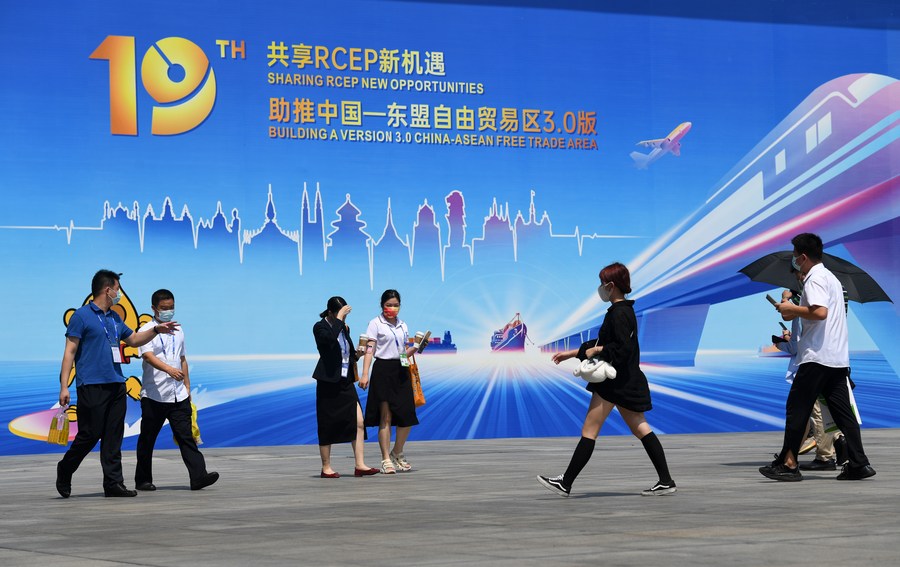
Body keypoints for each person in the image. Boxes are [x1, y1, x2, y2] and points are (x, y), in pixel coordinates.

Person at [537, 262, 676, 497]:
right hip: (626, 382)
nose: (600, 288)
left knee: (590, 430)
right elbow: (607, 343)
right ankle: (666, 480)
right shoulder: (622, 311)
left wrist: (598, 350)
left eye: (602, 284)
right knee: (641, 428)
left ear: (611, 285)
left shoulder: (619, 313)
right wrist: (573, 353)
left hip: (614, 383)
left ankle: (566, 482)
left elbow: (621, 348)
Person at [759, 233, 874, 481]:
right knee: (843, 414)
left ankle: (789, 464)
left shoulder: (815, 278)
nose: (794, 262)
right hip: (837, 358)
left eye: (795, 257)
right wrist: (791, 310)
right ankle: (858, 463)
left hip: (817, 358)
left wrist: (791, 308)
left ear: (802, 257)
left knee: (797, 409)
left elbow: (819, 312)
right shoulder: (832, 278)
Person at [56, 270, 179, 498]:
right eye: (117, 289)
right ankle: (65, 468)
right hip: (91, 385)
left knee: (113, 435)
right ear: (107, 290)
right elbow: (69, 352)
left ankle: (113, 483)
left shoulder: (114, 318)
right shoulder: (81, 316)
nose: (119, 293)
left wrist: (155, 330)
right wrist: (64, 386)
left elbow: (133, 340)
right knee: (89, 434)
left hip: (116, 384)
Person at [134, 289, 219, 491]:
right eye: (164, 308)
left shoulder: (179, 329)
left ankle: (198, 476)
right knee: (147, 439)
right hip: (154, 395)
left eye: (171, 307)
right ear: (154, 308)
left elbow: (182, 359)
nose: (168, 311)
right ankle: (143, 480)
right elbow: (147, 356)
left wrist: (187, 386)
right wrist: (169, 370)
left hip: (178, 394)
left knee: (186, 436)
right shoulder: (146, 330)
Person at [312, 296, 379, 478]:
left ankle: (360, 465)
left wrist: (357, 354)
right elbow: (328, 343)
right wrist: (340, 320)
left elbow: (345, 354)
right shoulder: (320, 327)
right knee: (326, 423)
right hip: (328, 381)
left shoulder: (344, 327)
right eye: (341, 314)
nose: (344, 318)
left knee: (358, 421)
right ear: (330, 312)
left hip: (345, 381)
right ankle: (326, 467)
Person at [359, 289, 421, 474]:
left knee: (407, 415)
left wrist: (415, 348)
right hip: (383, 370)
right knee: (385, 416)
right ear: (382, 305)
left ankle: (397, 452)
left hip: (401, 369)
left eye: (395, 305)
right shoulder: (375, 323)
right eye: (388, 305)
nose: (392, 308)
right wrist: (365, 373)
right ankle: (386, 458)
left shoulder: (403, 325)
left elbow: (402, 352)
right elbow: (369, 350)